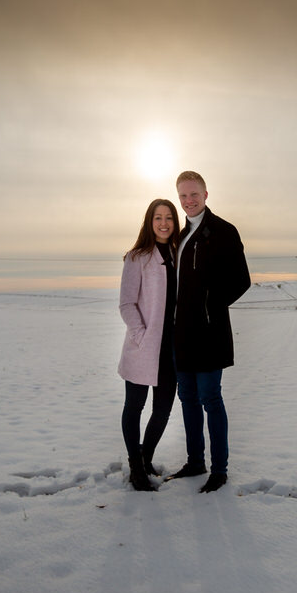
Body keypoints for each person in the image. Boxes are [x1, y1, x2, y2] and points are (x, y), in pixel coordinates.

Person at [167, 171, 250, 493]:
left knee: (210, 399)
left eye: (194, 194)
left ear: (206, 194)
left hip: (209, 332)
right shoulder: (179, 234)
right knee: (186, 397)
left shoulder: (222, 231)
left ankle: (219, 469)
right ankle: (195, 461)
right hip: (180, 334)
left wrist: (206, 307)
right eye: (183, 196)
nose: (189, 201)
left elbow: (240, 280)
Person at [118, 199, 180, 491]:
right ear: (149, 221)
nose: (164, 223)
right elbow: (126, 304)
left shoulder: (181, 253)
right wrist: (141, 335)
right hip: (143, 348)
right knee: (134, 407)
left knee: (163, 409)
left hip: (172, 349)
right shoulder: (136, 257)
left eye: (169, 217)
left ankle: (146, 456)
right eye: (158, 217)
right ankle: (135, 467)